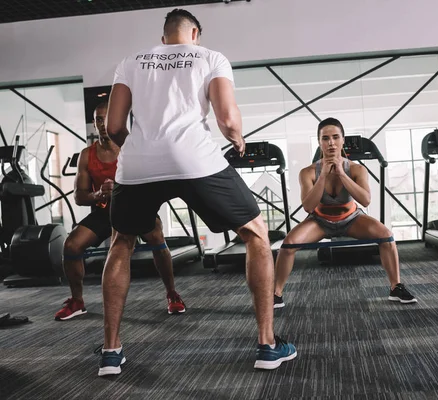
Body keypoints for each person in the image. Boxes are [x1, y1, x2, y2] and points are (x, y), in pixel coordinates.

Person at [99, 9, 296, 376]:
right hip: (195, 160)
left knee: (121, 242)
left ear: (163, 38)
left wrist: (140, 151)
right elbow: (226, 117)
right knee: (255, 233)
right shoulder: (210, 57)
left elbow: (113, 126)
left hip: (138, 163)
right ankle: (268, 345)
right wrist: (236, 137)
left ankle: (111, 351)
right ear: (195, 34)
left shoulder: (131, 62)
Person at [54, 101, 186, 321]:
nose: (103, 124)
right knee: (71, 245)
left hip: (136, 207)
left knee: (156, 237)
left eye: (106, 118)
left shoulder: (133, 148)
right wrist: (98, 195)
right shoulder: (87, 155)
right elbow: (79, 196)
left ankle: (172, 293)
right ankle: (77, 301)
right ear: (94, 125)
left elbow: (153, 184)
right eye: (98, 119)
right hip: (105, 211)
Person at [273, 118, 417, 308]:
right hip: (320, 221)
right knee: (288, 245)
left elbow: (365, 200)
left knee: (387, 237)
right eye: (325, 138)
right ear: (319, 142)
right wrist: (323, 175)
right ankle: (275, 294)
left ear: (342, 140)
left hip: (351, 219)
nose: (331, 143)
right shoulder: (308, 172)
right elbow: (308, 207)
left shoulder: (357, 169)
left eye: (335, 137)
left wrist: (341, 173)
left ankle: (395, 287)